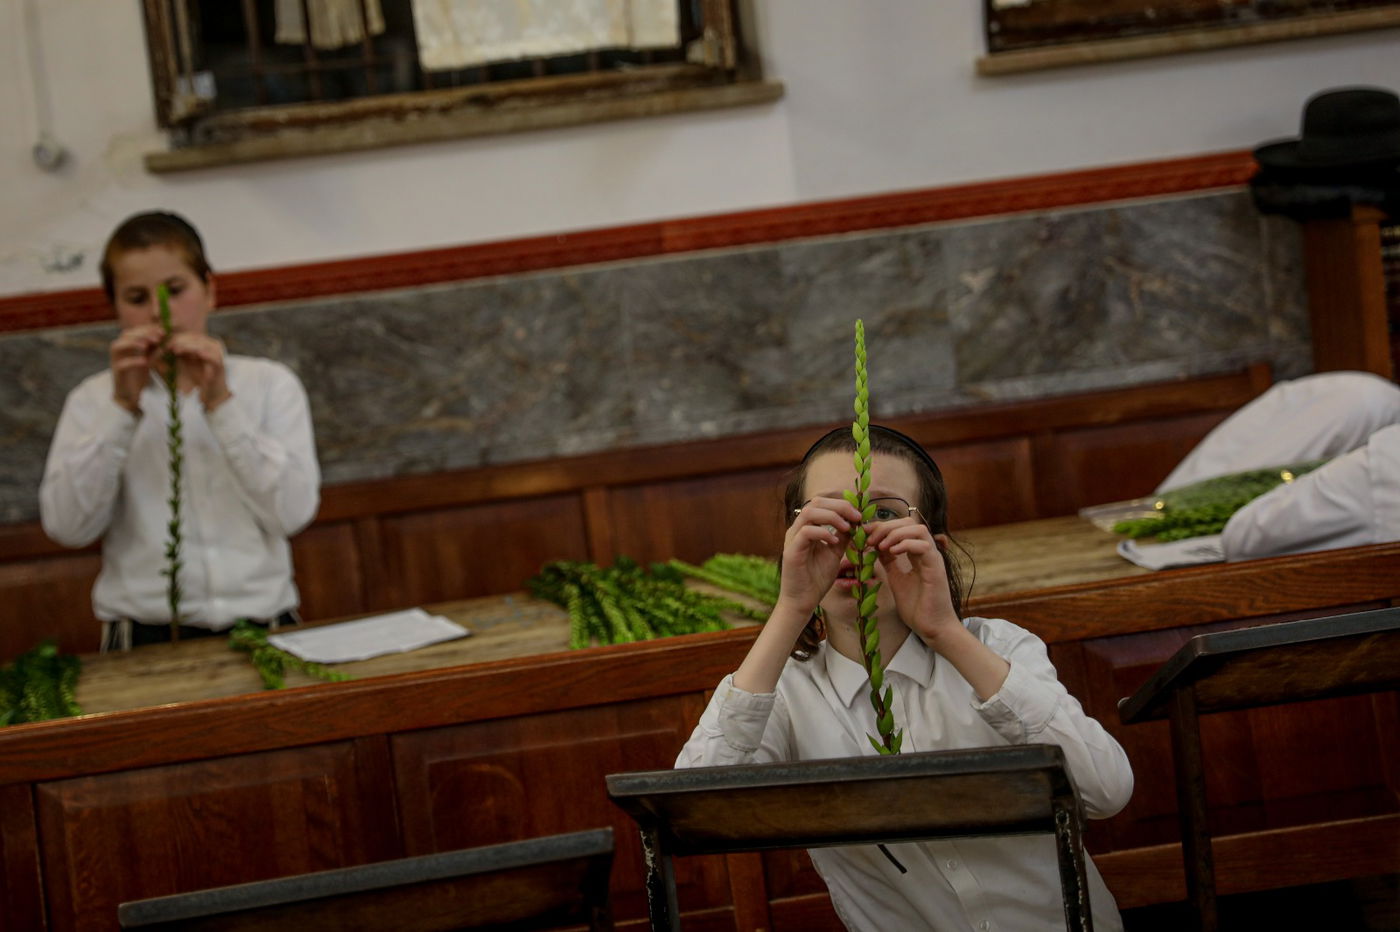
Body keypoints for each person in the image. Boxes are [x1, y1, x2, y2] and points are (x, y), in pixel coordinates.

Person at [676, 425, 1134, 931]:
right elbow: (692, 815)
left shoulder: (999, 649)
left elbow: (1105, 791)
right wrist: (792, 606)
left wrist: (943, 631)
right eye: (830, 518)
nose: (855, 542)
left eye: (884, 516)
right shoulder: (785, 693)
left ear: (931, 545)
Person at [39, 211, 320, 650]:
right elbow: (69, 527)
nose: (159, 312)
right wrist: (121, 410)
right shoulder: (91, 400)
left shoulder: (269, 385)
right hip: (142, 636)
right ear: (115, 308)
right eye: (136, 297)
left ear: (209, 291)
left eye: (175, 290)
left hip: (265, 627)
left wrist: (222, 406)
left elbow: (292, 514)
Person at [1155, 371, 1400, 561]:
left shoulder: (1374, 422)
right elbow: (1231, 490)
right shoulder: (1361, 402)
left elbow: (1245, 537)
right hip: (1185, 509)